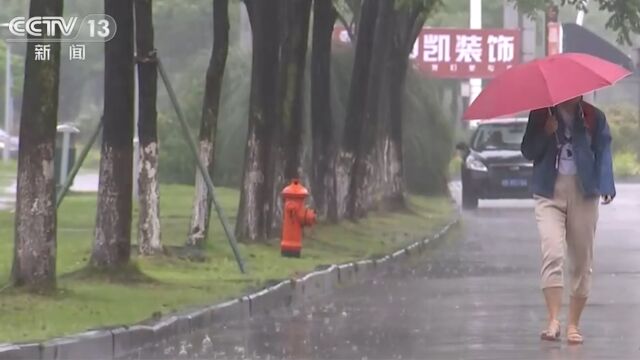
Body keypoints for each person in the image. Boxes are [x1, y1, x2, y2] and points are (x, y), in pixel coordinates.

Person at [521, 95, 616, 345]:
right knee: (552, 253)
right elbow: (528, 150)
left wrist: (606, 184)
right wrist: (545, 132)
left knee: (582, 260)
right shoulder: (541, 113)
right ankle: (553, 320)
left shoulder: (593, 116)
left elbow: (604, 150)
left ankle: (574, 324)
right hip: (548, 191)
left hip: (584, 192)